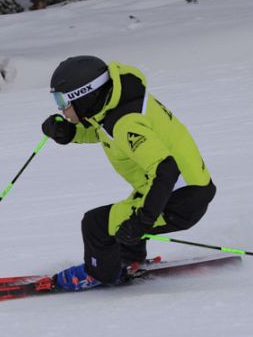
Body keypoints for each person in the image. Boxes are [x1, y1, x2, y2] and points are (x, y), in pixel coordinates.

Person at [41, 55, 216, 291]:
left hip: (180, 200)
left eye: (62, 101)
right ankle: (128, 259)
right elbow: (104, 131)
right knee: (126, 214)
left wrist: (143, 220)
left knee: (96, 224)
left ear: (85, 95)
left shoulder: (125, 123)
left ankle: (98, 273)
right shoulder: (119, 102)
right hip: (184, 188)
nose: (60, 108)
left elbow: (166, 168)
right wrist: (71, 133)